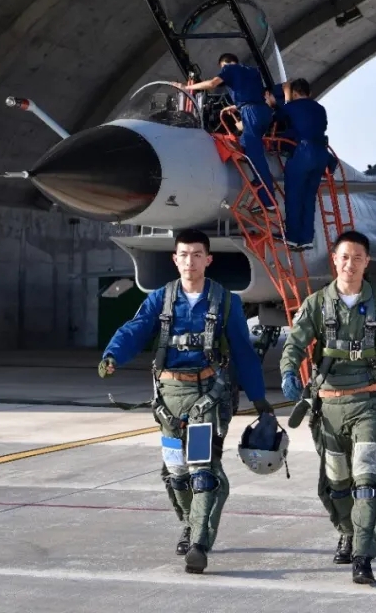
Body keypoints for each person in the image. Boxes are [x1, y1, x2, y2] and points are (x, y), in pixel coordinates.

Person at [98, 229, 273, 574]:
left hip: (207, 398)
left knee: (203, 472)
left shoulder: (225, 301)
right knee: (176, 473)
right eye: (184, 254)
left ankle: (199, 544)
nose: (190, 261)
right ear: (174, 259)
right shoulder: (160, 299)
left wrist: (260, 399)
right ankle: (190, 523)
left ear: (208, 260)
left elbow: (242, 350)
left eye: (197, 254)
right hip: (168, 400)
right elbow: (135, 328)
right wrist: (113, 355)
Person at [278, 230, 376, 586]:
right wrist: (289, 371)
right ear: (335, 260)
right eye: (345, 257)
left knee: (367, 482)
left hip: (370, 405)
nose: (350, 264)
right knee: (337, 483)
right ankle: (347, 531)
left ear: (367, 262)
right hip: (328, 408)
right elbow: (295, 343)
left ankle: (363, 556)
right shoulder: (317, 304)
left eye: (358, 257)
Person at [184, 53, 276, 212]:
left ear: (223, 64)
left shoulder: (229, 69)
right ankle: (258, 182)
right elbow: (254, 95)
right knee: (245, 144)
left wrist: (187, 87)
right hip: (263, 112)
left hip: (251, 113)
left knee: (256, 156)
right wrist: (236, 107)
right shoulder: (252, 71)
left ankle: (268, 202)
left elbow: (213, 84)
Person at [265, 78, 331, 249]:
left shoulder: (291, 106)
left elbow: (277, 117)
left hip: (303, 151)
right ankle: (307, 238)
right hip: (321, 154)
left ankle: (293, 237)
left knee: (294, 195)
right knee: (309, 197)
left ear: (294, 94)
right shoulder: (320, 108)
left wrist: (280, 101)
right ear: (309, 93)